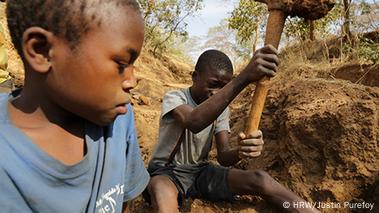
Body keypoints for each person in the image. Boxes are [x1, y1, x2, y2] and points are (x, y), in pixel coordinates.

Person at [0, 0, 149, 212]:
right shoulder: (6, 168)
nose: (132, 81)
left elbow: (123, 202)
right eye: (122, 64)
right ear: (41, 50)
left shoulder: (120, 120)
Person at [146, 48, 319, 213]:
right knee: (162, 194)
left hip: (200, 173)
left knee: (260, 179)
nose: (216, 92)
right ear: (195, 77)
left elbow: (223, 157)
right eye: (213, 84)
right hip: (167, 173)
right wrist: (244, 77)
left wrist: (241, 151)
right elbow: (194, 121)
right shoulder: (175, 97)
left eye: (223, 87)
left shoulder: (221, 109)